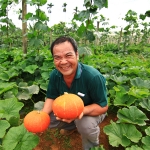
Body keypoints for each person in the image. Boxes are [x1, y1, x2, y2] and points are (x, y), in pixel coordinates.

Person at [42, 36, 108, 150]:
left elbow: (103, 107)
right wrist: (42, 116)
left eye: (68, 55)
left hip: (91, 111)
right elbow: (51, 97)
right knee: (44, 115)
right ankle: (71, 126)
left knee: (85, 125)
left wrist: (79, 112)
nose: (63, 62)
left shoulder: (93, 76)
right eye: (57, 58)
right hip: (68, 108)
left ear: (77, 55)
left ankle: (92, 146)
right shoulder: (55, 75)